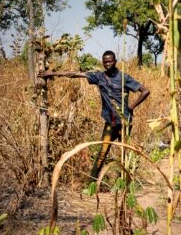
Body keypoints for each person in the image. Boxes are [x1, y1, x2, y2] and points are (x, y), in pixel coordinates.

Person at [39, 50, 150, 181]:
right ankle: (92, 182)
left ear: (115, 62)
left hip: (124, 123)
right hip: (110, 122)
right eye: (105, 61)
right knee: (102, 152)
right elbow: (75, 74)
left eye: (110, 61)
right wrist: (52, 73)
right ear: (103, 62)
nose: (107, 64)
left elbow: (145, 91)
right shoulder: (99, 77)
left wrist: (131, 106)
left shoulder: (124, 77)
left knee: (124, 153)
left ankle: (125, 183)